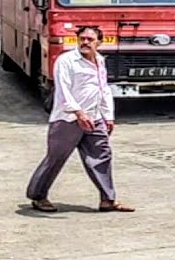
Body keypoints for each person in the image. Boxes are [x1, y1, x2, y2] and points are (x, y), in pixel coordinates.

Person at [26, 25, 134, 213]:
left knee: (102, 156)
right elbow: (63, 90)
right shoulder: (66, 61)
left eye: (90, 40)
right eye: (82, 38)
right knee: (56, 158)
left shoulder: (99, 61)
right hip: (67, 119)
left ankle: (107, 199)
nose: (85, 42)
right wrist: (78, 113)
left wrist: (108, 116)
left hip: (95, 117)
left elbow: (104, 89)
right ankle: (38, 196)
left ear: (99, 42)